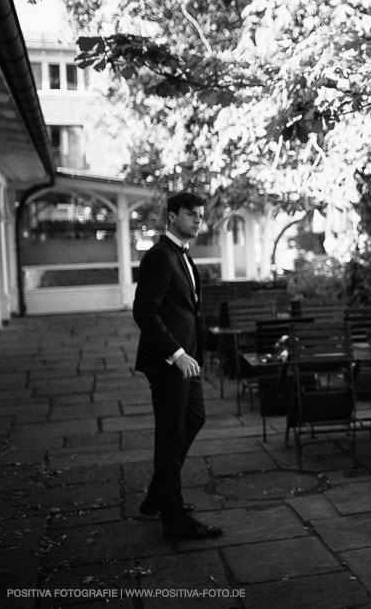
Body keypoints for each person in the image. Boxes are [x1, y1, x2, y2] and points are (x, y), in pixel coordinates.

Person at [133, 191, 223, 540]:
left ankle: (158, 494)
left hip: (189, 361)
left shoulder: (181, 256)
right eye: (191, 215)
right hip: (170, 361)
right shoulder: (159, 256)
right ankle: (174, 517)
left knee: (194, 418)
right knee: (170, 436)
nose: (198, 220)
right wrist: (176, 352)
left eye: (200, 215)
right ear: (172, 217)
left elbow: (185, 309)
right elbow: (144, 311)